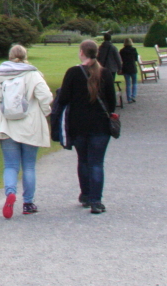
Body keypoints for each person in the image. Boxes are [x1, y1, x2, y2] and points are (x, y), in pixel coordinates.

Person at [0, 44, 53, 218]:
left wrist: (1, 113)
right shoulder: (33, 74)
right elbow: (46, 97)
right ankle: (28, 203)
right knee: (29, 166)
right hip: (30, 126)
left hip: (7, 126)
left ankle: (10, 193)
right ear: (25, 56)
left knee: (10, 165)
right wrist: (44, 112)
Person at [57, 38, 116, 214]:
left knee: (83, 160)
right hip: (100, 125)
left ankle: (86, 194)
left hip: (78, 124)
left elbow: (64, 98)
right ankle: (96, 200)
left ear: (82, 52)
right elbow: (112, 102)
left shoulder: (73, 73)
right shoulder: (104, 73)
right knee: (96, 162)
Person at [119, 37, 140, 104]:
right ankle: (133, 96)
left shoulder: (122, 51)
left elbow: (120, 60)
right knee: (134, 83)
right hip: (133, 67)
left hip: (125, 68)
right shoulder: (133, 50)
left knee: (128, 84)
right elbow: (136, 59)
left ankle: (128, 98)